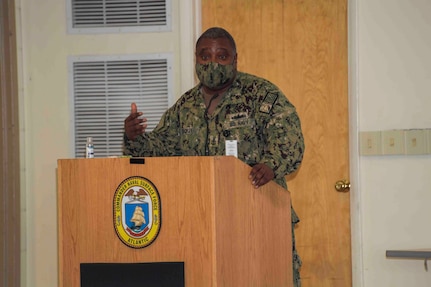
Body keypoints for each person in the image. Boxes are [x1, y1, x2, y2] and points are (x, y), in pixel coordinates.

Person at [123, 27, 305, 287]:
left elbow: (289, 138)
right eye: (205, 56)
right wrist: (134, 138)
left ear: (235, 59)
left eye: (222, 56)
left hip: (257, 216)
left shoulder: (261, 94)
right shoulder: (184, 107)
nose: (212, 62)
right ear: (196, 60)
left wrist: (270, 165)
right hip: (200, 224)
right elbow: (158, 151)